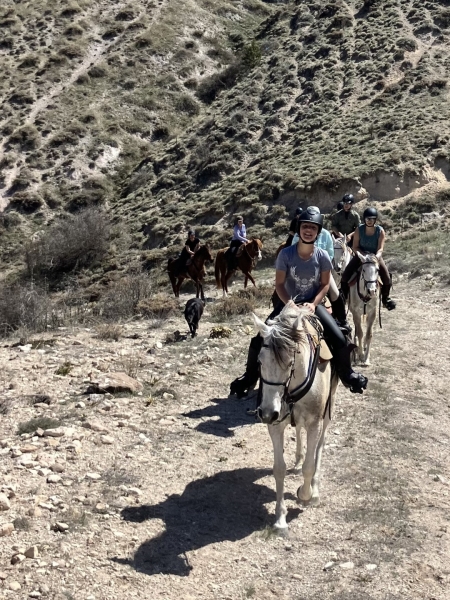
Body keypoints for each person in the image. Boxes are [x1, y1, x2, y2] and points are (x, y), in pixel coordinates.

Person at [230, 207, 368, 399]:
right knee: (260, 339)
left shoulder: (322, 256)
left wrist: (313, 304)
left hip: (313, 305)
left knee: (339, 338)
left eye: (313, 227)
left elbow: (325, 284)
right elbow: (279, 284)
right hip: (288, 304)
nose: (308, 230)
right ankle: (249, 376)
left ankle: (347, 373)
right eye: (305, 226)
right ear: (299, 229)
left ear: (318, 232)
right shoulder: (286, 254)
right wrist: (290, 304)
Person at [340, 207, 396, 310]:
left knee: (386, 277)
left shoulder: (380, 231)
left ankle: (385, 299)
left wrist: (377, 256)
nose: (369, 221)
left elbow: (380, 248)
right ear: (364, 219)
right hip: (361, 256)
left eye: (372, 219)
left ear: (375, 220)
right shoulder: (359, 230)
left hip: (375, 256)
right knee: (345, 276)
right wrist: (362, 255)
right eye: (367, 219)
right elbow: (355, 246)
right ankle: (343, 297)